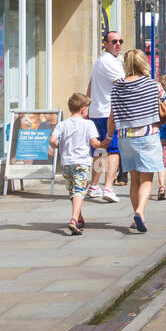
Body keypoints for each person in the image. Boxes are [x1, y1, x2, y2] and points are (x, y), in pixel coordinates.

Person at [109, 48, 166, 233]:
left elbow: (112, 116)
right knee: (147, 178)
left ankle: (136, 219)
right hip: (148, 135)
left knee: (134, 179)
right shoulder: (153, 85)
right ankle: (140, 212)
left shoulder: (117, 86)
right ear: (144, 63)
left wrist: (106, 137)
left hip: (125, 137)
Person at [49, 93, 108, 235]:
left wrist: (59, 146)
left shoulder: (62, 124)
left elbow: (52, 140)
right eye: (87, 109)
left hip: (66, 163)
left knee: (73, 190)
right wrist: (104, 143)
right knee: (80, 191)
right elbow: (94, 143)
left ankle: (79, 218)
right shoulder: (88, 124)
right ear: (83, 110)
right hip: (81, 162)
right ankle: (74, 219)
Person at [85, 31, 125, 203]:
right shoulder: (110, 63)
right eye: (114, 41)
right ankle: (108, 187)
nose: (118, 44)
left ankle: (94, 186)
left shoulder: (101, 61)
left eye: (120, 41)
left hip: (97, 112)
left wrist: (87, 106)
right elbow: (123, 86)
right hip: (109, 114)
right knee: (114, 151)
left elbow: (91, 83)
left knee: (100, 150)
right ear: (106, 44)